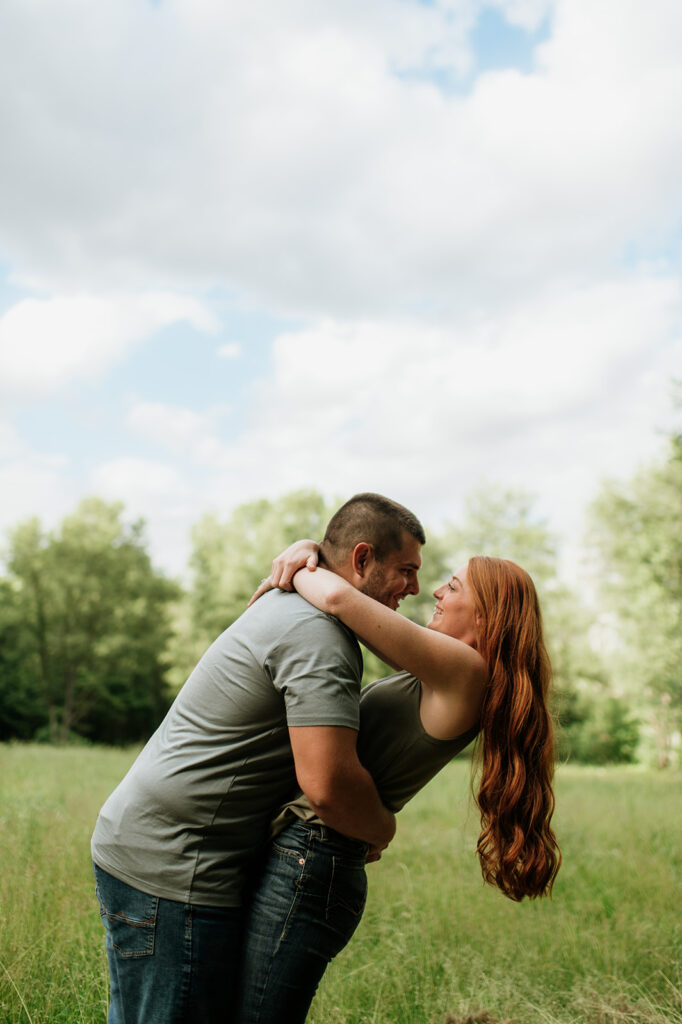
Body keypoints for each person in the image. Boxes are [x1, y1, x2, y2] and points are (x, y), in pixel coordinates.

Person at [91, 493, 425, 1024]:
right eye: (405, 570)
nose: (413, 587)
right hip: (176, 867)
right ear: (361, 560)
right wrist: (380, 830)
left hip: (144, 843)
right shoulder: (319, 637)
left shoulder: (296, 603)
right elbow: (328, 787)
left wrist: (311, 550)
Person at [236, 541, 561, 1024]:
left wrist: (299, 563)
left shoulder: (465, 673)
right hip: (312, 853)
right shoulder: (444, 675)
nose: (435, 590)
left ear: (488, 617)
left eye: (452, 586)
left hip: (311, 862)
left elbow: (341, 602)